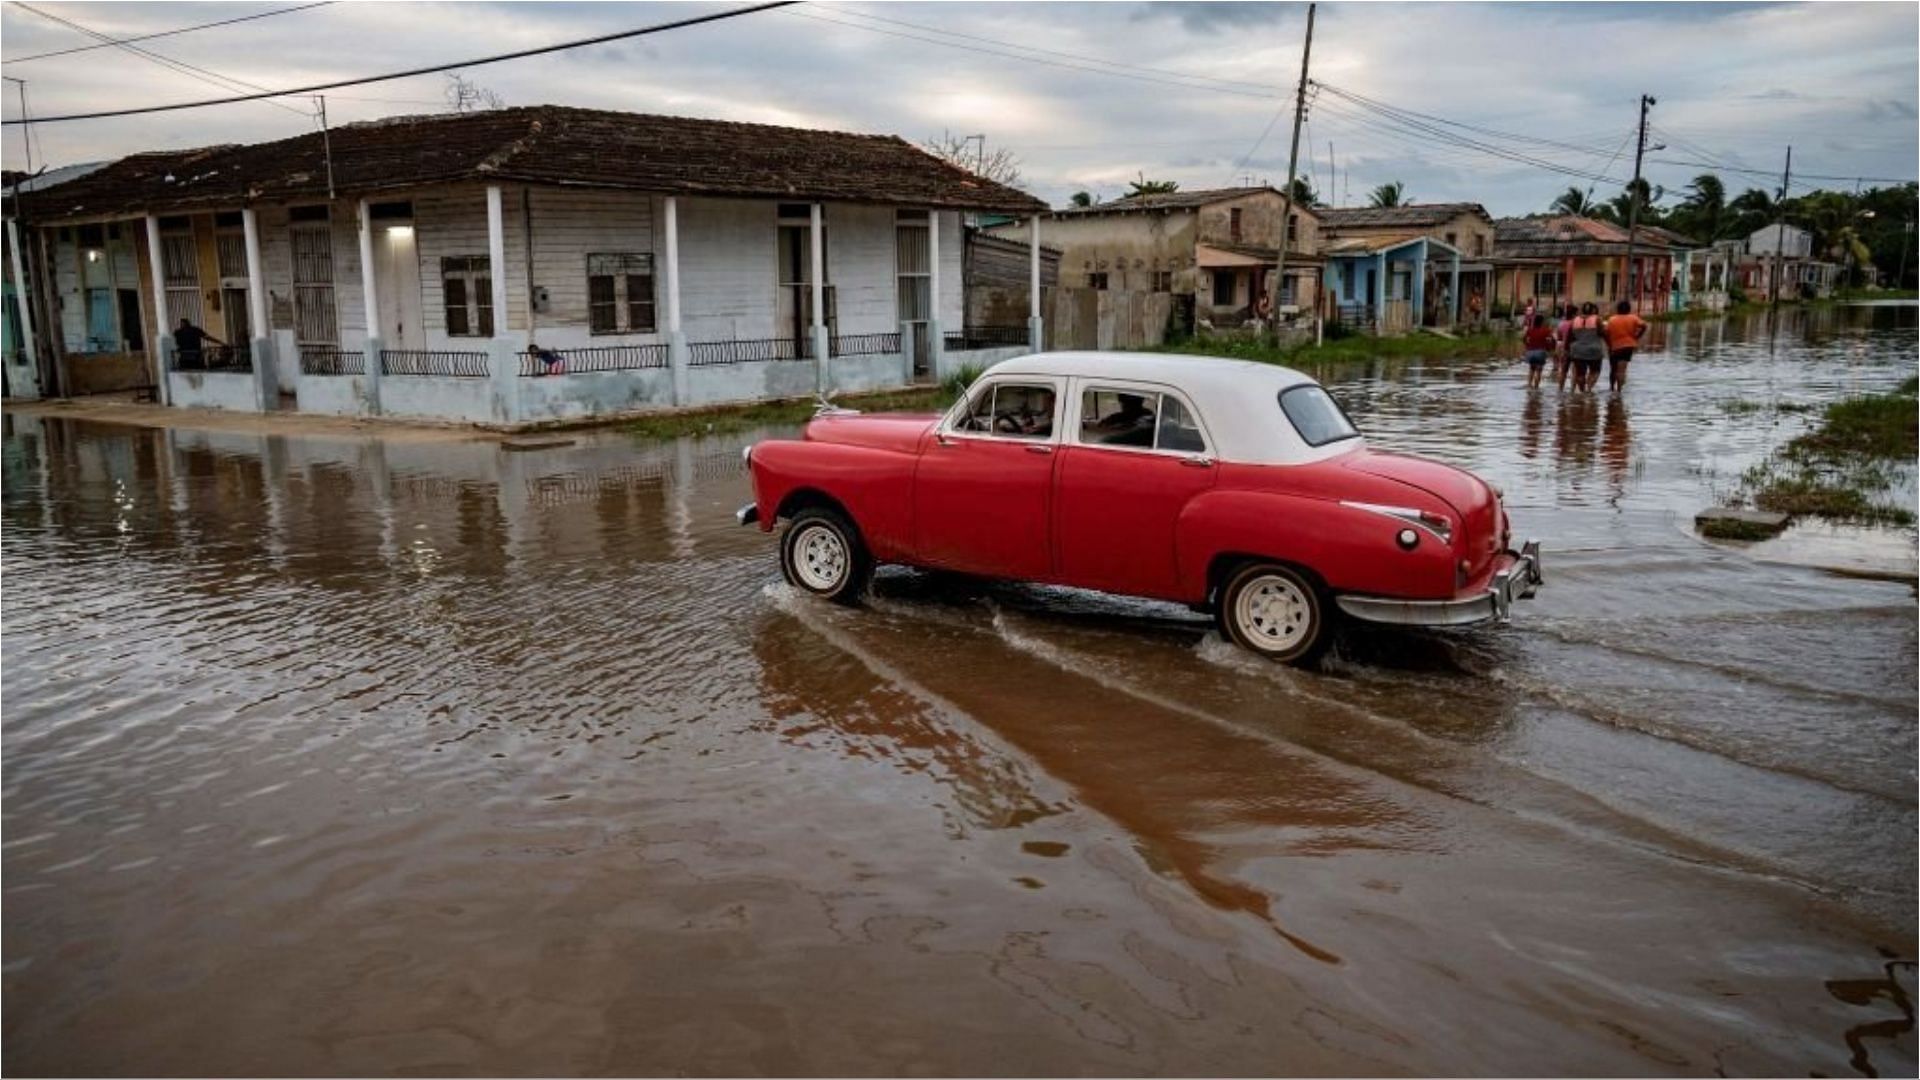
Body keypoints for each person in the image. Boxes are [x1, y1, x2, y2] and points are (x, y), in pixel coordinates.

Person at [1602, 300, 1648, 393]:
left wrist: (1609, 344)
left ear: (1617, 309)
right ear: (1629, 309)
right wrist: (1637, 336)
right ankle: (1619, 391)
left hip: (1614, 347)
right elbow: (1644, 326)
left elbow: (1605, 333)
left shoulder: (1612, 319)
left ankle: (1611, 388)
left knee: (1613, 368)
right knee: (1622, 370)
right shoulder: (1633, 318)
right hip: (1628, 346)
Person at [1564, 302, 1608, 392]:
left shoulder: (1574, 320)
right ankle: (1589, 387)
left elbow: (1569, 337)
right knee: (1595, 371)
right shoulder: (1597, 320)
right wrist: (1610, 345)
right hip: (1594, 350)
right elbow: (1603, 334)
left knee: (1580, 374)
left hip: (1578, 351)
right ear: (1593, 310)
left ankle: (1582, 391)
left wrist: (1566, 349)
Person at [1522, 314, 1554, 389]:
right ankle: (1536, 388)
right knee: (1539, 370)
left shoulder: (1530, 330)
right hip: (1540, 352)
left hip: (1530, 352)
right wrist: (1549, 349)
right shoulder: (1546, 330)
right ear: (1542, 322)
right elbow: (1550, 340)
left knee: (1531, 369)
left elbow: (1524, 339)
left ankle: (1529, 386)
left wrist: (1527, 346)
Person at [1553, 304, 1577, 391]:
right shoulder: (1575, 324)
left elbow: (1558, 339)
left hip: (1564, 349)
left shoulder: (1561, 324)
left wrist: (1558, 351)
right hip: (1575, 350)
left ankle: (1560, 389)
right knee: (1575, 371)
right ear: (1574, 314)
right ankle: (1572, 390)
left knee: (1563, 371)